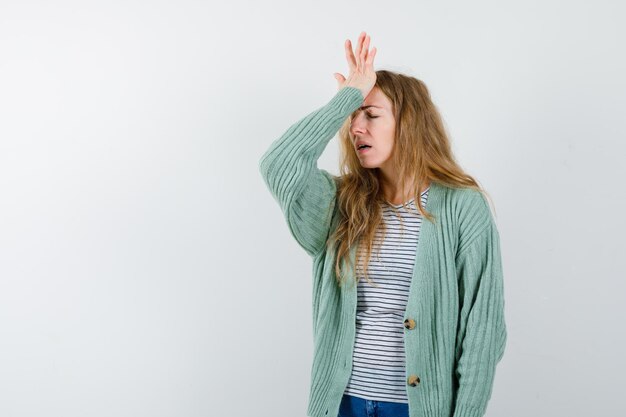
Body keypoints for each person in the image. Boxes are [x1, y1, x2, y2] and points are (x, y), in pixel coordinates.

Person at [258, 31, 507, 417]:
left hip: (415, 408)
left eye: (371, 115)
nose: (356, 128)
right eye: (353, 118)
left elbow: (483, 333)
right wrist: (347, 99)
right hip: (342, 404)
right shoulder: (340, 204)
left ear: (409, 124)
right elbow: (278, 164)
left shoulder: (462, 207)